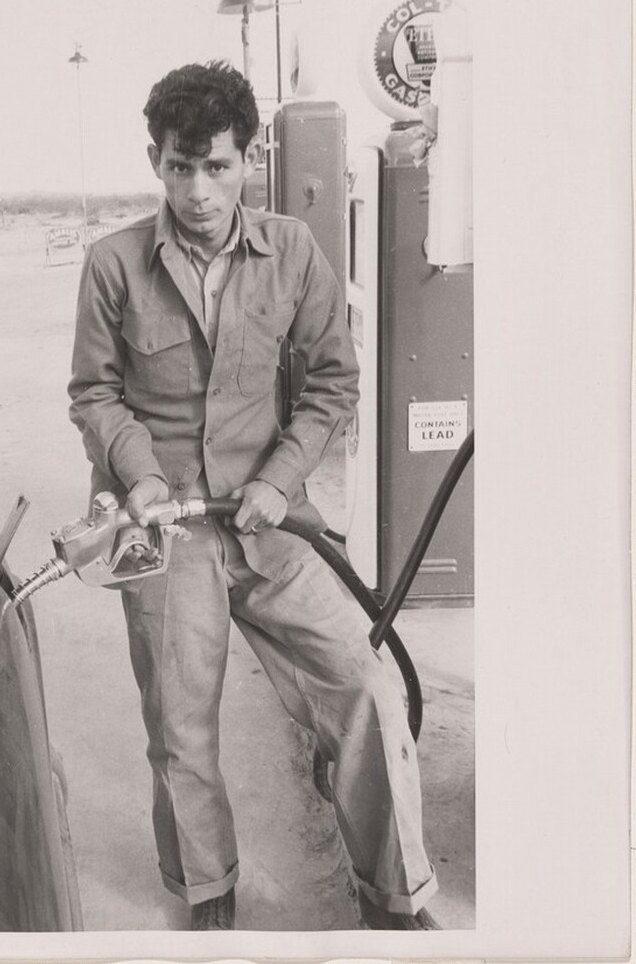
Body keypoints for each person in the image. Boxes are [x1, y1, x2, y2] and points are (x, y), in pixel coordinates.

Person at [68, 60, 439, 932]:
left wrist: (278, 481)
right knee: (180, 723)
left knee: (364, 681)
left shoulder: (293, 252)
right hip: (162, 530)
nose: (198, 190)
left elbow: (331, 385)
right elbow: (94, 393)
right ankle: (208, 890)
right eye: (179, 166)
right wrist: (143, 476)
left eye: (218, 166)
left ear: (249, 161)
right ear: (154, 160)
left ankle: (393, 895)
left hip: (272, 527)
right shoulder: (111, 264)